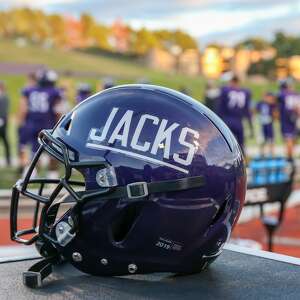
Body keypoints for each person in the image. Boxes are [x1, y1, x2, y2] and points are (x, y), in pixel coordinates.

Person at [18, 69, 62, 174]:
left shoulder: (29, 90)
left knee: (34, 149)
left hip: (31, 124)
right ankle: (52, 174)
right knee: (54, 150)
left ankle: (30, 173)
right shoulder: (54, 92)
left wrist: (21, 122)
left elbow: (23, 108)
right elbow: (58, 111)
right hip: (48, 125)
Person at [217, 75, 253, 153]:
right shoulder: (245, 92)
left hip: (227, 120)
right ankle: (242, 160)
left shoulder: (225, 91)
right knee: (241, 144)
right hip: (239, 121)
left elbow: (220, 107)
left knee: (226, 143)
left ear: (231, 82)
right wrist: (251, 126)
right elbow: (247, 110)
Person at [277, 79, 300, 158]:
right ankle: (291, 156)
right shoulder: (297, 95)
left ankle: (290, 159)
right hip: (295, 119)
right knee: (293, 138)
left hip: (286, 120)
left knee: (288, 139)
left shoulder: (282, 94)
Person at [256, 92, 277, 156]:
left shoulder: (271, 104)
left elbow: (275, 112)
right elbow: (256, 110)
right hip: (262, 124)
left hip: (269, 123)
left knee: (271, 139)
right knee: (262, 139)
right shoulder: (260, 103)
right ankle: (262, 153)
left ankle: (271, 153)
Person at [0, 81, 11, 166]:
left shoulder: (4, 97)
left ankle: (8, 159)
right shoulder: (5, 97)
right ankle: (8, 159)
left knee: (5, 140)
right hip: (3, 120)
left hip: (2, 121)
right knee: (5, 141)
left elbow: (4, 111)